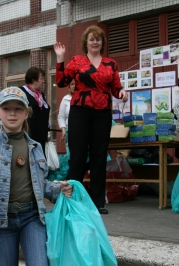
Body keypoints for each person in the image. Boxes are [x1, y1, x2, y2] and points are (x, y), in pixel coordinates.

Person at [0, 86, 72, 266]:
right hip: (2, 220)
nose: (12, 113)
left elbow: (40, 184)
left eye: (18, 109)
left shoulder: (36, 147)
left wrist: (59, 189)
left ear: (26, 113)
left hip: (32, 217)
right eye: (6, 108)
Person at [54, 26, 128, 214]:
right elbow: (62, 82)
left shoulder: (111, 63)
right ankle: (71, 200)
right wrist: (60, 58)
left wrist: (122, 93)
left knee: (99, 156)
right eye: (91, 39)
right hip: (79, 112)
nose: (95, 42)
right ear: (85, 42)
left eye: (98, 39)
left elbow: (116, 88)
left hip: (102, 113)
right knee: (77, 156)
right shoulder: (77, 61)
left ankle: (97, 203)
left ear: (102, 43)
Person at [19, 67, 50, 156]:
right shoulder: (22, 92)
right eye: (41, 78)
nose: (43, 81)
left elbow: (44, 114)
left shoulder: (41, 95)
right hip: (28, 136)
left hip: (41, 137)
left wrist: (47, 132)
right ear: (33, 80)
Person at [57, 79, 75, 146]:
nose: (74, 86)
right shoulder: (65, 99)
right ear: (69, 86)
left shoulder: (84, 98)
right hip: (69, 132)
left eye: (76, 84)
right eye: (72, 84)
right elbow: (61, 117)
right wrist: (63, 130)